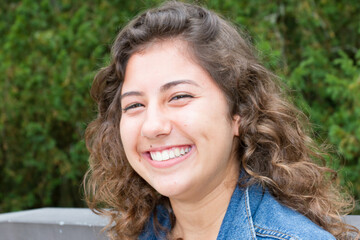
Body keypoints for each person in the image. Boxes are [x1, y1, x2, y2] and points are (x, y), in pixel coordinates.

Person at [84, 1, 360, 239]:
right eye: (134, 105)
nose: (153, 126)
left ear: (238, 112)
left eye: (179, 97)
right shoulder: (143, 231)